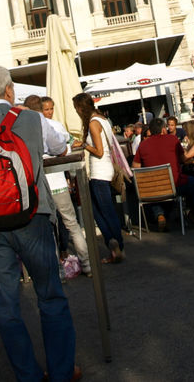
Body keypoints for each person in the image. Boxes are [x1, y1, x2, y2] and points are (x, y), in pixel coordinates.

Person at [0, 67, 77, 382]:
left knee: (6, 303)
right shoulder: (32, 119)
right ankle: (62, 371)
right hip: (33, 216)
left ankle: (28, 375)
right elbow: (61, 146)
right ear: (9, 90)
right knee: (50, 295)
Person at [31, 96, 92, 277]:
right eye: (46, 109)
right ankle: (87, 264)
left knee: (49, 229)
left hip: (41, 184)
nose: (48, 112)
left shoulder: (26, 127)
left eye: (50, 108)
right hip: (57, 182)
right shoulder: (55, 126)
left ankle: (58, 271)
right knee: (71, 223)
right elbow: (65, 147)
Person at [72, 92, 125, 264]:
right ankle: (114, 244)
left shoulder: (94, 123)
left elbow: (100, 151)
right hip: (105, 170)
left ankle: (116, 246)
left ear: (81, 108)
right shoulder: (103, 120)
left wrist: (84, 145)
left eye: (76, 109)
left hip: (99, 172)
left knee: (104, 211)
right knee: (101, 210)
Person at [132, 117, 194, 231]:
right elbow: (183, 158)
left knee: (157, 188)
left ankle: (160, 215)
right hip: (174, 185)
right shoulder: (172, 139)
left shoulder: (143, 145)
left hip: (151, 190)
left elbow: (135, 166)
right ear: (163, 129)